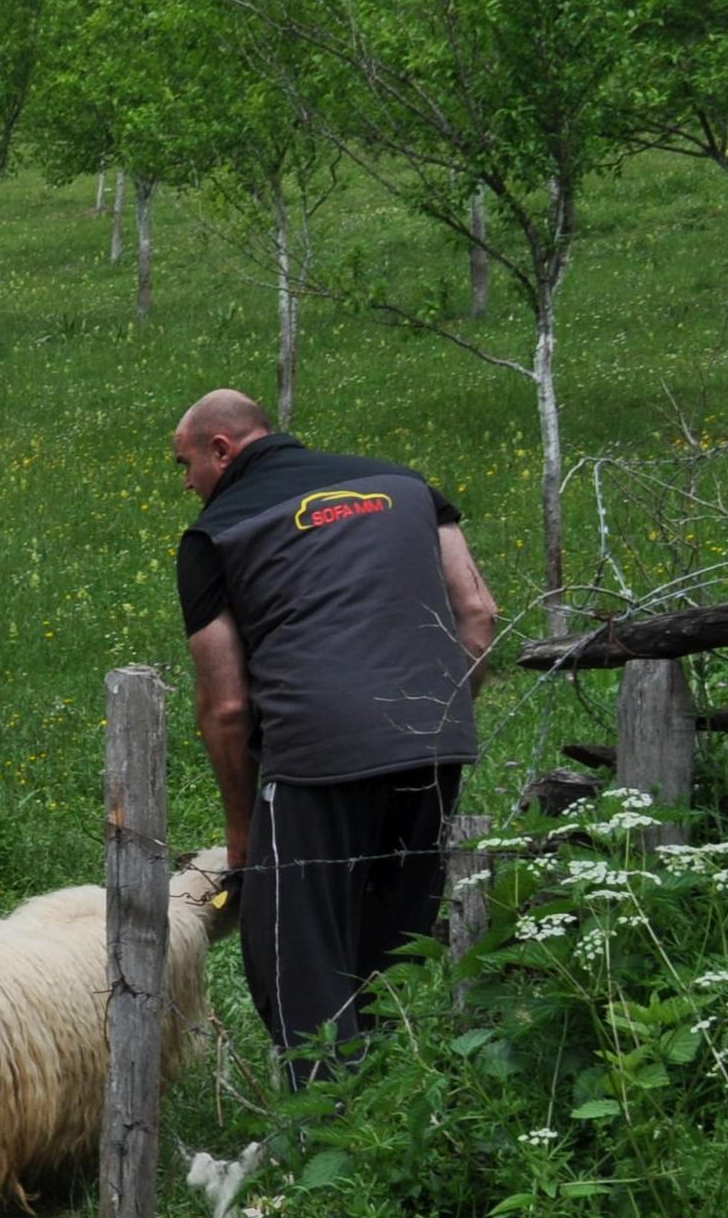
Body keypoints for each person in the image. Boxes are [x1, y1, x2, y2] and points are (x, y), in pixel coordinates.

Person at [172, 387, 501, 1082]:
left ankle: (326, 1135)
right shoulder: (406, 485)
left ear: (221, 449)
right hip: (431, 743)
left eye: (186, 465)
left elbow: (227, 705)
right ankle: (391, 1104)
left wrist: (240, 837)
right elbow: (477, 612)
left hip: (314, 755)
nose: (187, 482)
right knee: (396, 931)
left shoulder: (216, 532)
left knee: (291, 948)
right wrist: (435, 714)